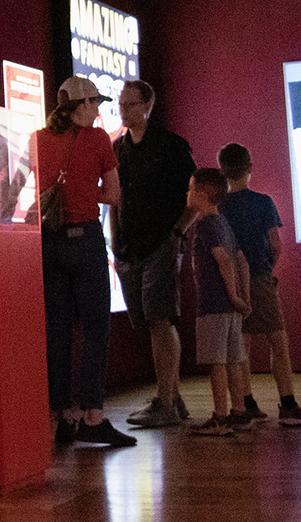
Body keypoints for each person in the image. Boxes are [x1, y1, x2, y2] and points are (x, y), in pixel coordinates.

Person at [37, 76, 136, 447]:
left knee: (57, 330)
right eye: (95, 103)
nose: (98, 110)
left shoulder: (38, 139)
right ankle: (93, 416)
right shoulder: (97, 140)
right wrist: (83, 190)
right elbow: (113, 194)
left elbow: (18, 187)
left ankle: (62, 418)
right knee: (96, 329)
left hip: (49, 242)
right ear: (81, 105)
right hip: (85, 240)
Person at [218, 144, 301, 427]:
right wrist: (267, 272)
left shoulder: (221, 206)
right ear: (250, 167)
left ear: (222, 170)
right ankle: (288, 404)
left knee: (241, 344)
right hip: (259, 277)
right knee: (277, 340)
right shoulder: (263, 202)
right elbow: (275, 245)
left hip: (231, 283)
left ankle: (246, 403)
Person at [112, 80, 197, 429]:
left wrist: (178, 232)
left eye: (131, 104)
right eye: (121, 104)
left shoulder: (171, 146)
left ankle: (165, 401)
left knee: (160, 319)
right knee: (151, 322)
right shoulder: (118, 148)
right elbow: (115, 196)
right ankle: (171, 397)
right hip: (128, 247)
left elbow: (196, 193)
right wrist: (115, 242)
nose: (124, 110)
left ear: (148, 105)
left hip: (161, 241)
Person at [181, 168, 250, 435]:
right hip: (230, 308)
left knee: (216, 363)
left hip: (213, 305)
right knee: (233, 361)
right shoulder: (224, 223)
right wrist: (242, 298)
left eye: (190, 189)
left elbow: (224, 261)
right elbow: (240, 259)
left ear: (202, 194)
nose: (187, 194)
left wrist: (232, 295)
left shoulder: (206, 225)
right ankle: (239, 412)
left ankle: (220, 417)